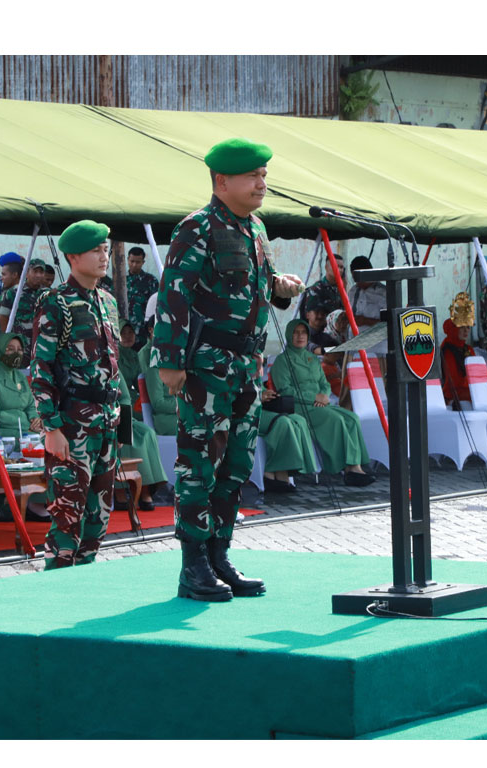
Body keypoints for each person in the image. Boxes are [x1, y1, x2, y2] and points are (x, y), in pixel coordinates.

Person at [154, 137, 303, 601]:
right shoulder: (196, 228)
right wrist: (171, 362)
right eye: (252, 176)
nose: (262, 184)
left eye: (264, 176)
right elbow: (174, 294)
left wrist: (280, 286)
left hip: (247, 366)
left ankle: (220, 556)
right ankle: (192, 565)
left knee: (235, 464)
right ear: (222, 181)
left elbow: (258, 284)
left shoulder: (256, 228)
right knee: (200, 462)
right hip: (207, 367)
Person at [31, 220, 122, 570]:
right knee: (68, 512)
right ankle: (58, 587)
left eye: (105, 249)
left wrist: (120, 419)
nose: (104, 256)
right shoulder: (56, 303)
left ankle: (85, 580)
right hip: (73, 424)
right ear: (72, 256)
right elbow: (40, 369)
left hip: (107, 420)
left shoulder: (108, 302)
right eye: (96, 250)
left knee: (99, 514)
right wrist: (52, 428)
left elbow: (115, 367)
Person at [271, 318, 374, 486]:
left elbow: (324, 384)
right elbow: (285, 390)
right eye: (296, 332)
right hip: (299, 406)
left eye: (303, 332)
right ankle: (350, 469)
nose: (300, 336)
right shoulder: (282, 361)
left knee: (351, 418)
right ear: (289, 335)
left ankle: (357, 466)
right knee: (337, 420)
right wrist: (313, 398)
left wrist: (324, 396)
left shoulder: (312, 358)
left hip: (320, 404)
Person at [0, 332, 46, 522]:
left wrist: (34, 419)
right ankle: (25, 502)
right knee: (35, 442)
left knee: (48, 440)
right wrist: (25, 422)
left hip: (22, 428)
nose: (16, 354)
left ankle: (38, 500)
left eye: (19, 350)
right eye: (10, 349)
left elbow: (31, 404)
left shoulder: (20, 378)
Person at [114, 371, 168, 510]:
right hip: (89, 419)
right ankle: (119, 492)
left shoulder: (111, 364)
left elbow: (125, 398)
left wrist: (120, 423)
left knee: (145, 433)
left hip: (115, 416)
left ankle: (145, 490)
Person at [259, 384, 319, 493]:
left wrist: (269, 394)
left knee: (299, 420)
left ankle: (284, 469)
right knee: (283, 422)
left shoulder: (253, 368)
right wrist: (258, 397)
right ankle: (273, 470)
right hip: (247, 411)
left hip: (263, 407)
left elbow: (259, 387)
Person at [0, 257, 47, 366]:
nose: (38, 275)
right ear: (26, 273)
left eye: (41, 272)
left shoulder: (48, 294)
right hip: (20, 347)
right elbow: (3, 318)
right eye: (35, 271)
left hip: (41, 347)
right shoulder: (13, 293)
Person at [440, 292, 477, 408]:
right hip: (453, 395)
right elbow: (453, 382)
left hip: (470, 390)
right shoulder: (448, 350)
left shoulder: (468, 348)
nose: (466, 331)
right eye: (462, 327)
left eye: (468, 327)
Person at [138, 343, 178, 436]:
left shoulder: (177, 366)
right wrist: (181, 405)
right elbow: (158, 403)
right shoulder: (155, 369)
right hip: (165, 420)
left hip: (179, 416)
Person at [125, 247, 159, 345]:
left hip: (143, 332)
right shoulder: (121, 280)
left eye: (138, 262)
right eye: (132, 261)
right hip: (124, 332)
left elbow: (155, 307)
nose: (134, 265)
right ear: (127, 260)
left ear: (143, 262)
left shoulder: (151, 281)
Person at [299, 253, 345, 320]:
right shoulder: (316, 289)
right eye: (335, 266)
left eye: (341, 267)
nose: (339, 270)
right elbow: (309, 318)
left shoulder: (340, 290)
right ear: (326, 267)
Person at [349, 255, 386, 328]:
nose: (357, 282)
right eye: (355, 279)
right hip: (354, 337)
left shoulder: (384, 293)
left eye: (358, 278)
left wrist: (366, 321)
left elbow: (390, 323)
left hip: (377, 338)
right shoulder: (352, 291)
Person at [117, 319, 142, 404]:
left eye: (130, 332)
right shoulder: (114, 355)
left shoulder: (135, 355)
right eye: (123, 333)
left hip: (132, 396)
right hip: (119, 398)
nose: (127, 336)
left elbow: (139, 384)